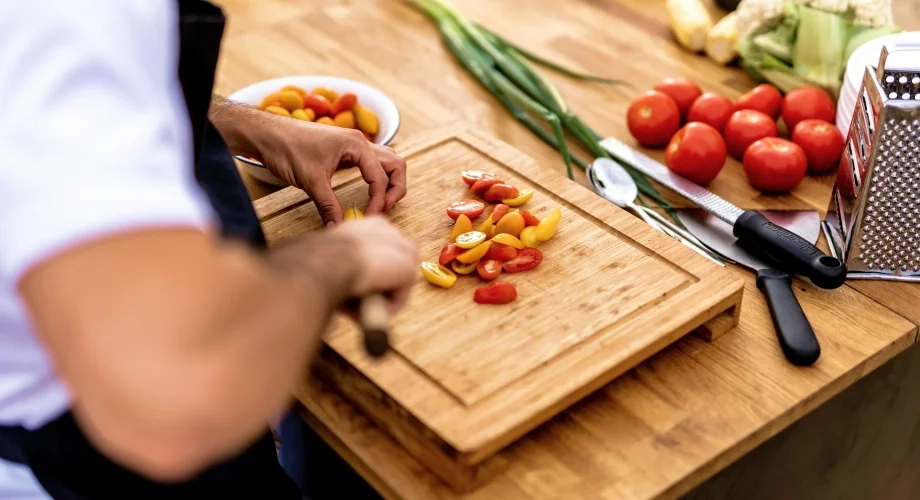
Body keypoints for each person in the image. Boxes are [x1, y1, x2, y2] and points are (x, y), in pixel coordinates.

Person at [0, 0, 418, 498]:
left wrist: (253, 125)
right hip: (99, 463)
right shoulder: (70, 15)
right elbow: (173, 399)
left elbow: (86, 90)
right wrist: (339, 259)